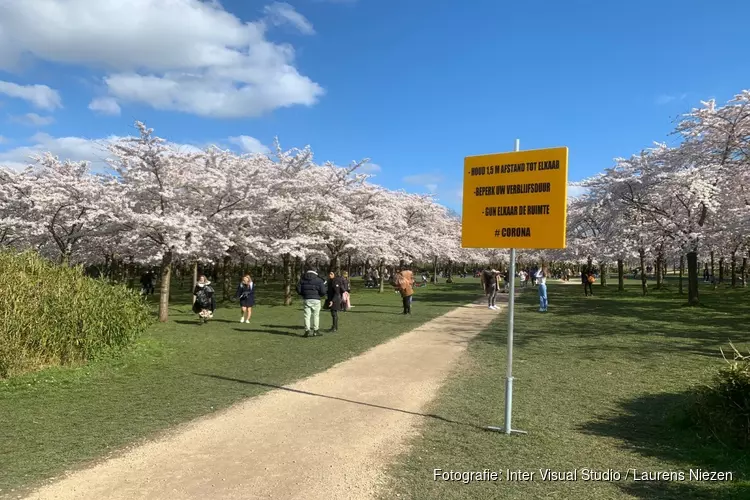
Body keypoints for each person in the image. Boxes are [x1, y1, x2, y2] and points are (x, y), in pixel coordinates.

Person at [296, 267, 327, 337]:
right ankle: (316, 331)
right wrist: (319, 295)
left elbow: (298, 289)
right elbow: (323, 291)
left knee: (307, 316)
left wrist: (303, 294)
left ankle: (307, 331)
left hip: (306, 299)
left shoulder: (302, 279)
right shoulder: (319, 280)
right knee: (316, 316)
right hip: (316, 299)